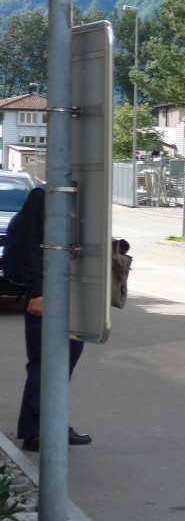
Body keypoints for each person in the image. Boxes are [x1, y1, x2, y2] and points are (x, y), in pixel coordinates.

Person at [10, 187, 91, 451]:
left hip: (74, 293)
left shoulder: (85, 192)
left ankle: (51, 424)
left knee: (64, 361)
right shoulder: (42, 196)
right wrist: (35, 292)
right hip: (47, 293)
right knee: (45, 362)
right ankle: (36, 432)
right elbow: (27, 246)